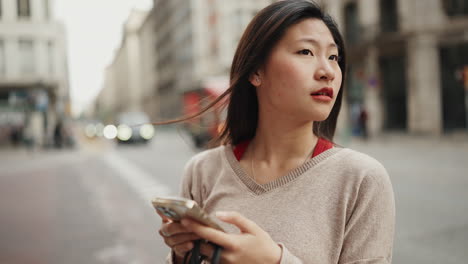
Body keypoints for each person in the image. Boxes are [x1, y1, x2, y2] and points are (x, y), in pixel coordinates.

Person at [157, 1, 395, 263]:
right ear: (256, 71)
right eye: (306, 52)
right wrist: (182, 254)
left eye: (333, 57)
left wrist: (275, 261)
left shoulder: (361, 178)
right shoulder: (202, 171)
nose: (327, 71)